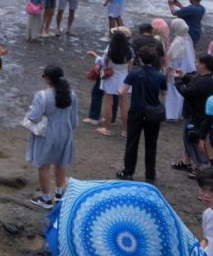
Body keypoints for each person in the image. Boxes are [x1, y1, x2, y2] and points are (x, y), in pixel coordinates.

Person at [23, 65, 79, 209]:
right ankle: (59, 194)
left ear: (48, 79)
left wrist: (29, 112)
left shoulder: (42, 95)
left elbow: (34, 118)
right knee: (61, 163)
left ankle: (46, 199)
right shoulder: (71, 94)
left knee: (44, 166)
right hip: (65, 132)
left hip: (47, 133)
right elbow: (74, 121)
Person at [118, 47, 167, 182]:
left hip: (136, 111)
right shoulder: (160, 76)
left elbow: (122, 91)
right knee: (151, 144)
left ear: (140, 58)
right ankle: (150, 174)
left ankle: (128, 172)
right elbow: (164, 93)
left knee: (132, 142)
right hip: (153, 113)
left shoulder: (134, 73)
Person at [89, 27, 133, 137]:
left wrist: (95, 56)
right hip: (124, 78)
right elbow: (130, 69)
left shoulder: (110, 49)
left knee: (108, 103)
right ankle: (126, 130)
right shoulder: (130, 50)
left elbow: (104, 63)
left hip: (111, 78)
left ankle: (108, 128)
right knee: (124, 106)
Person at [176, 55, 213, 169]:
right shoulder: (205, 78)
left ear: (204, 65)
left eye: (197, 62)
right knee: (187, 139)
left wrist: (177, 81)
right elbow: (193, 81)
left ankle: (201, 165)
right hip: (198, 113)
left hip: (195, 114)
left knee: (192, 139)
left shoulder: (203, 81)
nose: (196, 64)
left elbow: (188, 92)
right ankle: (186, 161)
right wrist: (183, 76)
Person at [166, 17, 197, 123]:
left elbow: (174, 57)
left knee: (174, 91)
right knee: (183, 92)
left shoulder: (177, 41)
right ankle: (179, 113)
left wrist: (169, 68)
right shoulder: (187, 37)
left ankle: (172, 114)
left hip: (177, 69)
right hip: (188, 69)